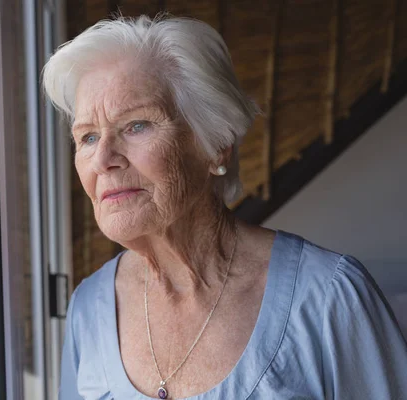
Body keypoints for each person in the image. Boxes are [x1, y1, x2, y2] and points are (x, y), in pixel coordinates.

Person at [42, 15, 407, 399]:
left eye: (136, 126)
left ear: (216, 145)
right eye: (88, 137)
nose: (103, 159)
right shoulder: (90, 308)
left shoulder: (329, 297)